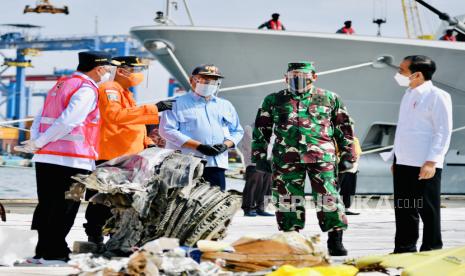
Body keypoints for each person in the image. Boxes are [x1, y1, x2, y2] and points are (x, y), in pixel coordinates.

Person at [23, 51, 119, 264]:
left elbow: (40, 116)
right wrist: (39, 142)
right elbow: (68, 122)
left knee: (46, 205)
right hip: (75, 161)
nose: (109, 73)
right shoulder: (86, 89)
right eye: (108, 68)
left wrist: (37, 142)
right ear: (99, 68)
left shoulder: (61, 84)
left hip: (46, 159)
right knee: (68, 206)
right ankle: (55, 253)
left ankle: (42, 252)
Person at [252, 62, 356, 256]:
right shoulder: (274, 100)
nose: (298, 80)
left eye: (303, 76)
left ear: (314, 77)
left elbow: (344, 128)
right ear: (286, 78)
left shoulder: (329, 98)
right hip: (286, 158)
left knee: (328, 197)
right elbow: (261, 129)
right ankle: (292, 240)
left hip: (321, 157)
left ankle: (335, 240)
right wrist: (258, 155)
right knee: (288, 200)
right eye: (293, 76)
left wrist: (348, 155)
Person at [83, 56, 174, 245]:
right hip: (110, 155)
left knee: (120, 200)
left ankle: (114, 235)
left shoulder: (125, 92)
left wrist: (147, 142)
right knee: (102, 200)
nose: (138, 75)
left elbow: (133, 123)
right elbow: (114, 116)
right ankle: (95, 236)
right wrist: (154, 108)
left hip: (126, 155)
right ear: (122, 70)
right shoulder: (110, 88)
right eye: (135, 70)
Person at [390, 55, 452, 253]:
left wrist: (432, 161)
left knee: (428, 209)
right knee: (404, 207)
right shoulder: (408, 94)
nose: (398, 74)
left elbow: (442, 130)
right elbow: (404, 129)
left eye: (402, 70)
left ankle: (432, 247)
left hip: (424, 162)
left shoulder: (437, 95)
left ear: (416, 74)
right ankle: (404, 247)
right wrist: (395, 158)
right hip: (403, 160)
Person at [160, 64, 244, 191]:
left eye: (213, 80)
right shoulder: (176, 103)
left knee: (215, 203)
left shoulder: (225, 105)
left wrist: (225, 145)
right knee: (181, 204)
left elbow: (237, 130)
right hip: (184, 164)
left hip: (215, 163)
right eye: (204, 79)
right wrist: (199, 146)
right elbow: (167, 130)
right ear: (191, 80)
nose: (208, 83)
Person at [238, 124, 274, 217]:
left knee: (267, 185)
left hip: (268, 161)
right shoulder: (249, 128)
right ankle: (248, 208)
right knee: (253, 184)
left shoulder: (273, 129)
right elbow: (252, 145)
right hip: (254, 161)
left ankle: (261, 208)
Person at [337, 137, 362, 215]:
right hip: (340, 163)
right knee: (333, 188)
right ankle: (329, 208)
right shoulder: (338, 137)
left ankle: (345, 208)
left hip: (350, 164)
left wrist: (355, 163)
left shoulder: (354, 139)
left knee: (349, 188)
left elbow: (357, 153)